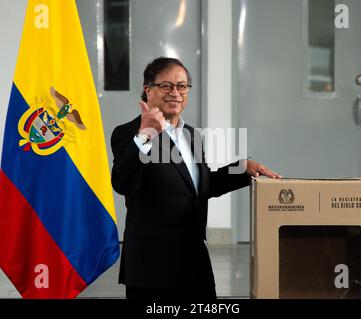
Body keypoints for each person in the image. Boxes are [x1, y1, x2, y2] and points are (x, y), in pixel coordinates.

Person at [111, 57, 281, 300]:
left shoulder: (191, 135)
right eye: (166, 86)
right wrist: (146, 134)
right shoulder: (127, 133)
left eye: (182, 86)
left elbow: (199, 187)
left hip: (193, 260)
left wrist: (241, 168)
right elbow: (121, 182)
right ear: (148, 90)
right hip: (152, 265)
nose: (176, 93)